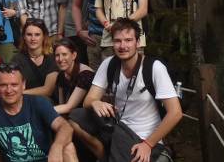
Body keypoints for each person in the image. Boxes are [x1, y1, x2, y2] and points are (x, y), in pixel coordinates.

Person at [69, 18, 181, 161]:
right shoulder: (109, 64)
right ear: (112, 43)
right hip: (118, 128)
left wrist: (148, 144)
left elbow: (175, 113)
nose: (123, 46)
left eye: (128, 40)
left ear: (138, 42)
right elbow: (89, 100)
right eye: (117, 41)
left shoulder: (154, 68)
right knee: (76, 117)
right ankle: (103, 155)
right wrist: (95, 103)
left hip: (143, 136)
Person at [0, 64, 77, 162]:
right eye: (3, 85)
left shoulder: (38, 103)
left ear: (23, 85)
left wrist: (57, 147)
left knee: (68, 147)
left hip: (46, 159)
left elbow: (65, 127)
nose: (9, 90)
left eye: (14, 84)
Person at [9, 18, 58, 98]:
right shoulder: (17, 59)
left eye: (37, 35)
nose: (33, 39)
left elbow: (47, 90)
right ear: (24, 37)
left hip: (47, 103)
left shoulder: (51, 58)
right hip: (23, 101)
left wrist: (20, 93)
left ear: (44, 37)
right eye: (29, 34)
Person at [51, 38, 95, 115]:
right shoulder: (61, 75)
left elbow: (69, 107)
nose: (60, 59)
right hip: (71, 114)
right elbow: (62, 104)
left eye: (64, 54)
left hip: (87, 116)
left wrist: (41, 111)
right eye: (57, 55)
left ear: (74, 55)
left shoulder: (85, 74)